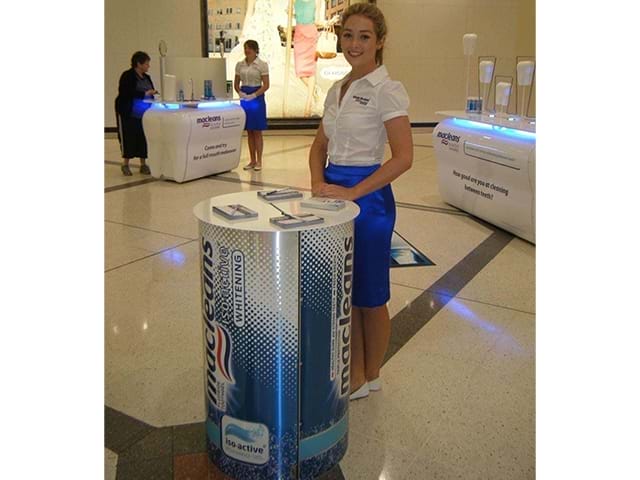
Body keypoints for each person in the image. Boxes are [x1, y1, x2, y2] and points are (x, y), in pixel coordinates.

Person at [308, 3, 413, 401]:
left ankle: (372, 373)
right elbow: (319, 147)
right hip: (333, 199)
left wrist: (354, 192)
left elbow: (404, 157)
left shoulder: (387, 90)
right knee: (345, 293)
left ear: (380, 41)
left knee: (371, 294)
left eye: (364, 36)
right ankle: (354, 372)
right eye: (348, 35)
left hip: (368, 202)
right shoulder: (337, 89)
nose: (354, 44)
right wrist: (318, 182)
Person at [115, 51, 157, 176]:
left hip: (143, 114)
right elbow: (125, 92)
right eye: (146, 64)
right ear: (139, 64)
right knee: (129, 137)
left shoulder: (147, 77)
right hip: (129, 113)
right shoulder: (127, 76)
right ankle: (125, 164)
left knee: (142, 138)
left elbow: (150, 91)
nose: (148, 66)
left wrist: (152, 94)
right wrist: (144, 94)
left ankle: (143, 164)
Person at [234, 40, 270, 171]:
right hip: (245, 97)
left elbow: (266, 84)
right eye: (245, 48)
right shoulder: (240, 65)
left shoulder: (262, 65)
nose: (247, 50)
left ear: (255, 50)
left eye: (249, 48)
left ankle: (259, 160)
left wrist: (254, 95)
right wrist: (240, 93)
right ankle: (252, 160)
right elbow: (236, 83)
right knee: (249, 130)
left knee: (257, 131)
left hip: (257, 97)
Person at [293, 0, 323, 116]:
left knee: (310, 70)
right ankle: (315, 90)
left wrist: (326, 23)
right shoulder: (294, 1)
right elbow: (291, 13)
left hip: (310, 34)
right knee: (299, 71)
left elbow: (317, 20)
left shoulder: (317, 1)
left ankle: (308, 106)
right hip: (299, 34)